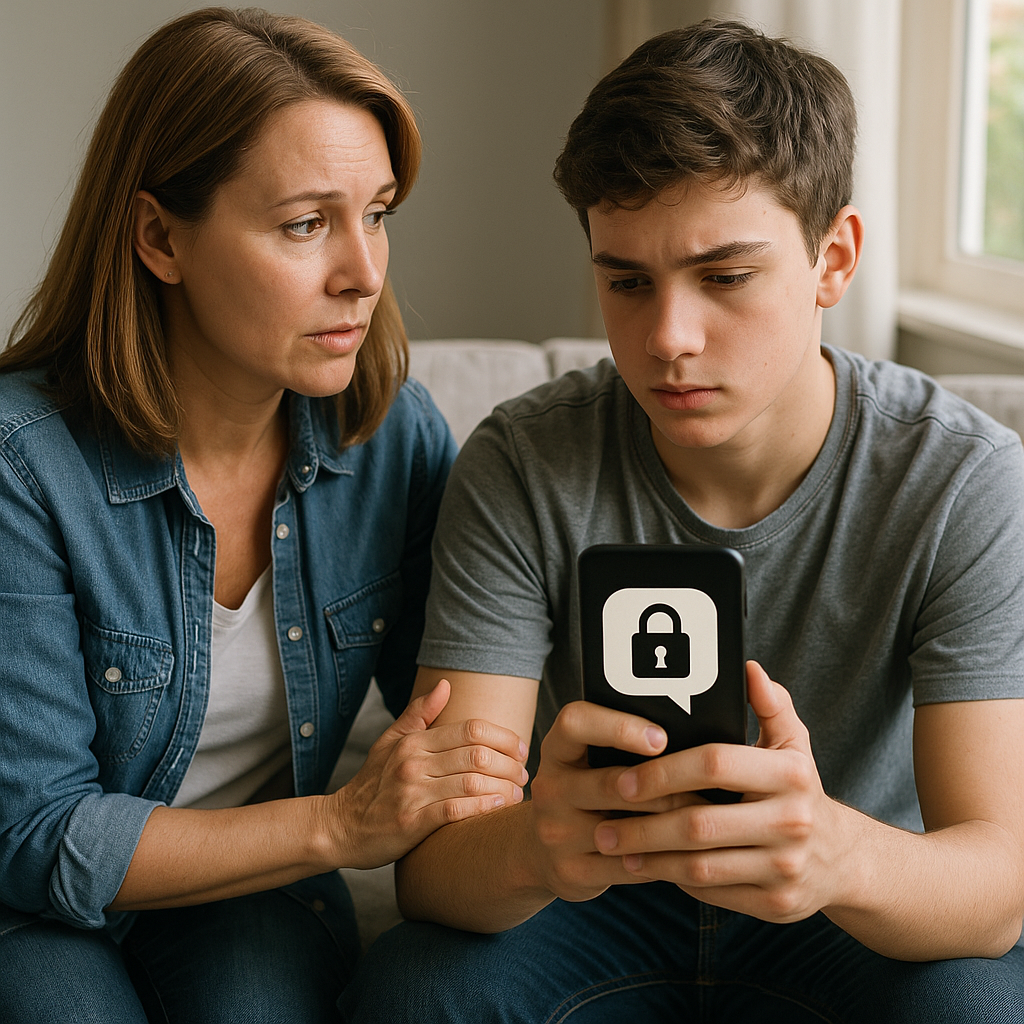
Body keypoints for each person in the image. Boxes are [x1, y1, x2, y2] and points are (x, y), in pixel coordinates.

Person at [340, 19, 1024, 1024]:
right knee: (412, 991)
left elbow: (997, 886)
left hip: (844, 905)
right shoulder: (523, 460)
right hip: (588, 901)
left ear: (833, 259)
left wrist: (834, 850)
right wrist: (540, 840)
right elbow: (434, 871)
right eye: (626, 281)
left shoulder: (960, 480)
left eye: (725, 277)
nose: (667, 338)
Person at [0, 8, 528, 1022]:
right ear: (160, 237)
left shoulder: (391, 438)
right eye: (305, 224)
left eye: (377, 213)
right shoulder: (22, 464)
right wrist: (341, 825)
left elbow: (467, 718)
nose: (363, 273)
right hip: (28, 904)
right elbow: (35, 836)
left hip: (252, 891)